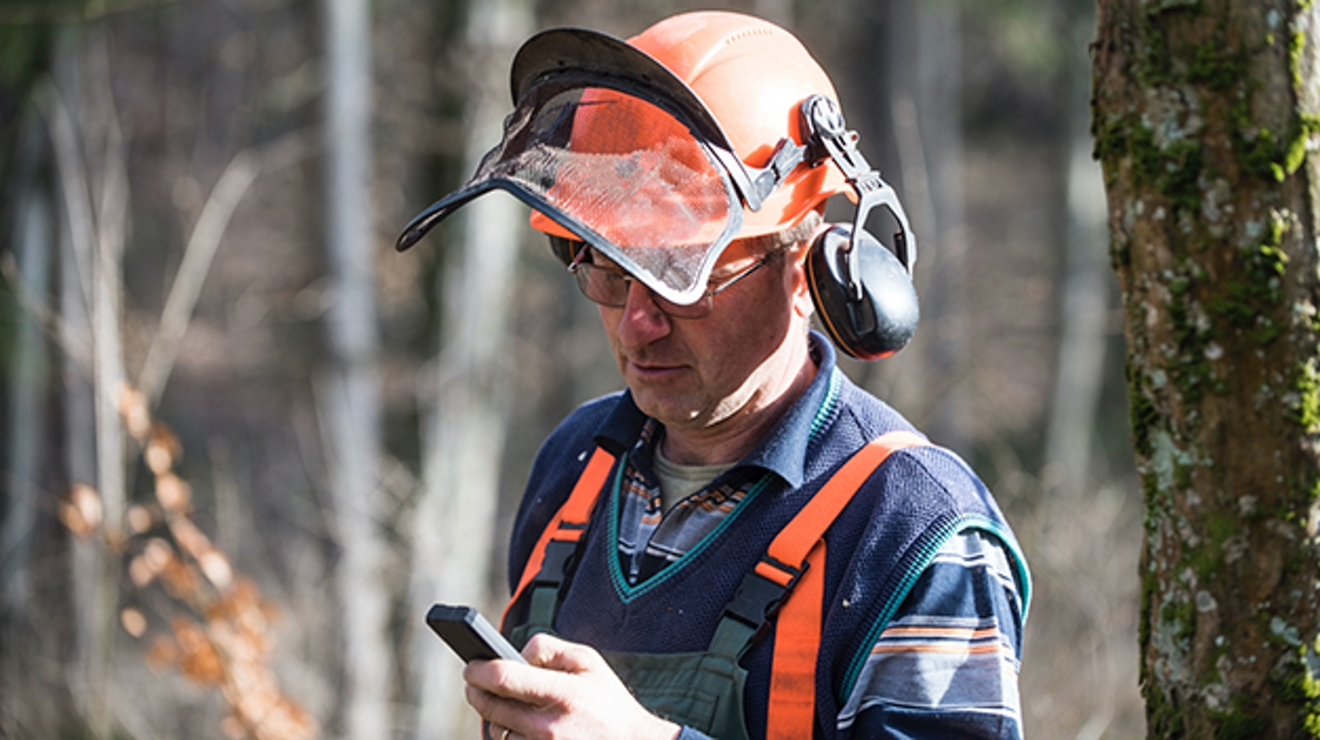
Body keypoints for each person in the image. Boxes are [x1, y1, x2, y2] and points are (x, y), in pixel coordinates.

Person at [398, 10, 1029, 740]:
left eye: (683, 278)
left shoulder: (914, 528)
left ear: (805, 270)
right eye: (607, 266)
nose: (638, 322)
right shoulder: (575, 466)